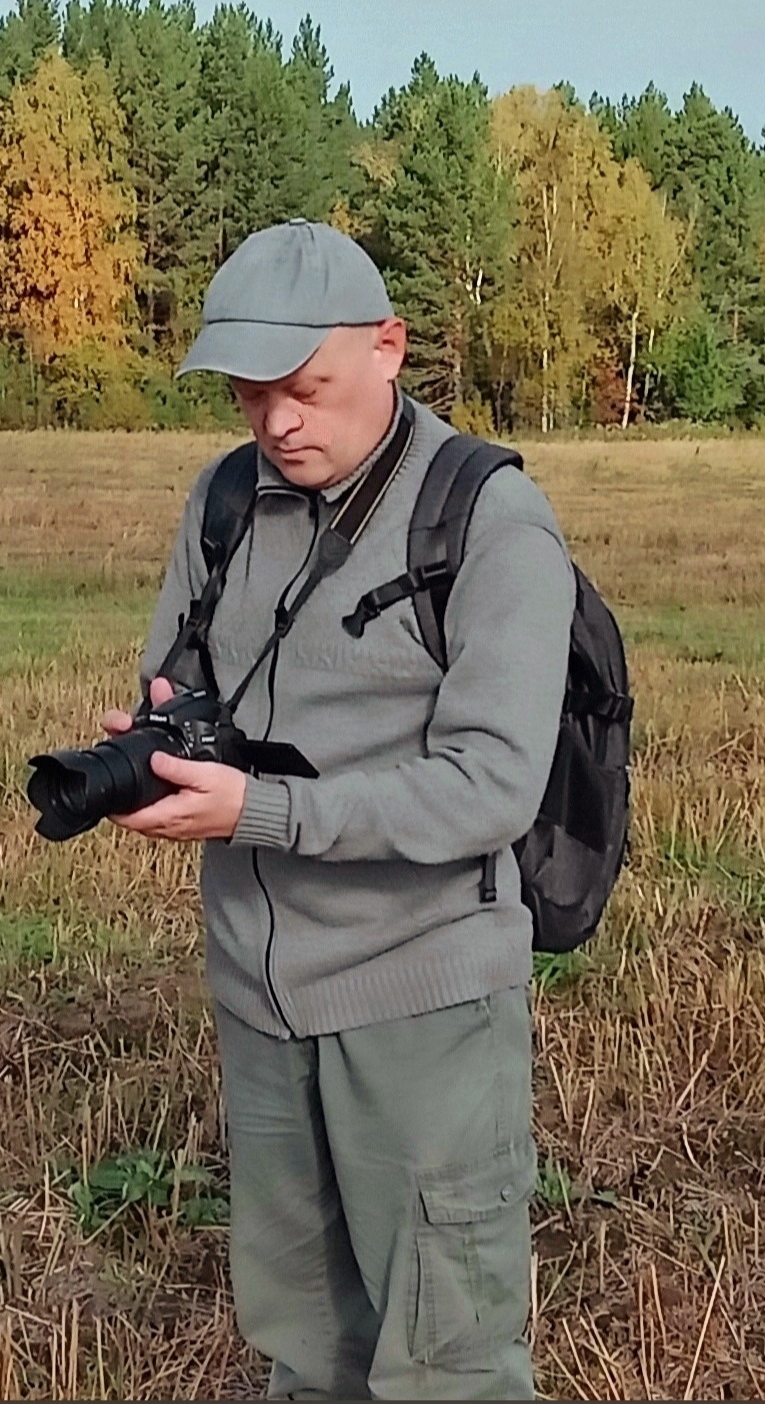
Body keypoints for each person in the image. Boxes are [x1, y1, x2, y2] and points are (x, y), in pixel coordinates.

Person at [95, 218, 573, 1400]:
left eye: (305, 389)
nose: (278, 425)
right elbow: (184, 673)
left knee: (446, 1363)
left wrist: (259, 811)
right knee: (303, 1352)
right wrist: (157, 745)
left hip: (422, 998)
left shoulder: (487, 520)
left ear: (389, 348)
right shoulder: (222, 503)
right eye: (252, 396)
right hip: (257, 999)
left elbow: (489, 786)